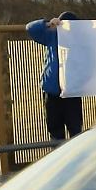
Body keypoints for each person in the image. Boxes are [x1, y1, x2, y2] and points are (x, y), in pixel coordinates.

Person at [26, 11, 83, 140]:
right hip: (53, 91)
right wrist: (47, 23)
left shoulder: (80, 41)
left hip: (72, 91)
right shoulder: (53, 35)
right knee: (55, 129)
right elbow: (30, 28)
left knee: (75, 130)